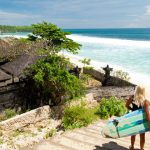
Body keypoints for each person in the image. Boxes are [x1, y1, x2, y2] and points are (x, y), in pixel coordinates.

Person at [126, 85, 150, 150]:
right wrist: (149, 123)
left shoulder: (132, 98)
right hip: (142, 121)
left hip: (134, 119)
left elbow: (126, 105)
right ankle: (141, 149)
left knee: (133, 134)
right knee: (142, 136)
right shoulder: (145, 101)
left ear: (136, 90)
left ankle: (132, 147)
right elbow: (147, 114)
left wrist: (131, 110)